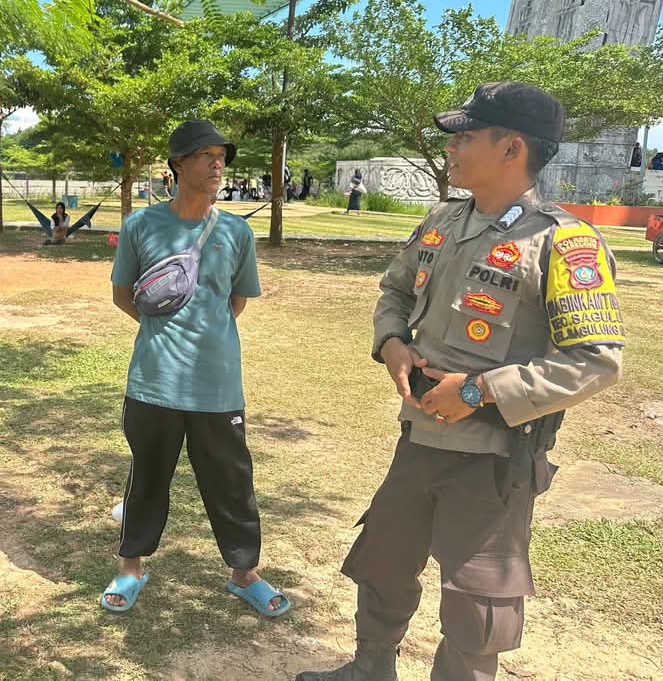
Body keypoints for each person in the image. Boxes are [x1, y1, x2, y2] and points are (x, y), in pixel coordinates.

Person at [296, 82, 625, 681]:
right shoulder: (443, 220)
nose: (453, 148)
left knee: (477, 598)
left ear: (512, 148)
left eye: (467, 137)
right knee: (385, 559)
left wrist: (478, 391)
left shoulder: (561, 242)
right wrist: (392, 343)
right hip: (418, 439)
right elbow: (395, 292)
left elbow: (597, 359)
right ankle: (371, 669)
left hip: (493, 456)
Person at [102, 118, 289, 618]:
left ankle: (243, 573)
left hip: (218, 385)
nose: (217, 164)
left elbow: (237, 300)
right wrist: (166, 334)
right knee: (147, 478)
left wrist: (203, 334)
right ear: (178, 164)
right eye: (205, 155)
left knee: (231, 481)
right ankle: (130, 567)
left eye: (221, 156)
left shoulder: (236, 231)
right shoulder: (141, 225)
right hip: (153, 382)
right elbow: (124, 295)